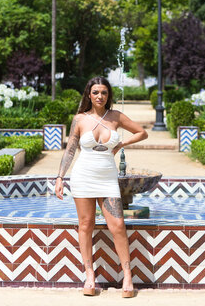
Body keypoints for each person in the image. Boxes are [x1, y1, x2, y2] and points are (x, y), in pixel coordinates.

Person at [54, 76, 148, 298]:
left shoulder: (115, 117)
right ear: (89, 94)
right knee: (85, 225)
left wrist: (121, 143)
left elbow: (142, 132)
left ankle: (127, 275)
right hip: (83, 176)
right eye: (95, 92)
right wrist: (59, 177)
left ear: (109, 95)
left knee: (118, 225)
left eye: (104, 92)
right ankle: (89, 275)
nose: (100, 96)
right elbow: (70, 150)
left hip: (107, 178)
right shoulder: (79, 119)